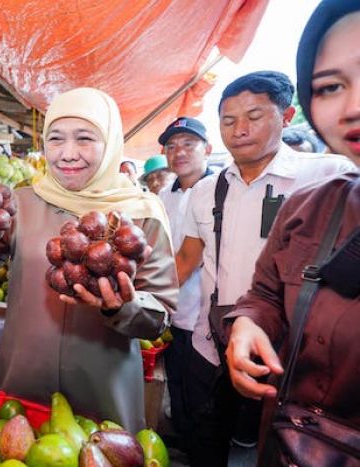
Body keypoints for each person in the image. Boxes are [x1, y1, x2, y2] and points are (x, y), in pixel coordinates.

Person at [0, 88, 178, 431]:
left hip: (103, 389)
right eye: (56, 139)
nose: (67, 153)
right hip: (22, 378)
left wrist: (122, 307)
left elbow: (161, 314)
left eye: (85, 138)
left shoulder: (141, 215)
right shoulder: (22, 202)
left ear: (110, 143)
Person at [175, 71, 354, 466]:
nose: (240, 130)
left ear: (287, 116)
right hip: (213, 343)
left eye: (254, 116)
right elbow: (187, 260)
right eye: (228, 120)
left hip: (287, 354)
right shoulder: (206, 190)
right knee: (204, 439)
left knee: (274, 446)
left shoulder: (330, 177)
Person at [224, 1, 360, 464]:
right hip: (288, 444)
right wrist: (247, 322)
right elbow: (265, 292)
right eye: (330, 86)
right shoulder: (312, 204)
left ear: (284, 118)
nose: (353, 105)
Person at [157, 116, 213, 439]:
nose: (179, 152)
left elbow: (187, 260)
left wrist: (150, 293)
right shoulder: (166, 195)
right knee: (176, 386)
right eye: (171, 146)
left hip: (203, 317)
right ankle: (180, 442)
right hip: (172, 314)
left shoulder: (218, 191)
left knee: (201, 397)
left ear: (207, 148)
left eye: (188, 144)